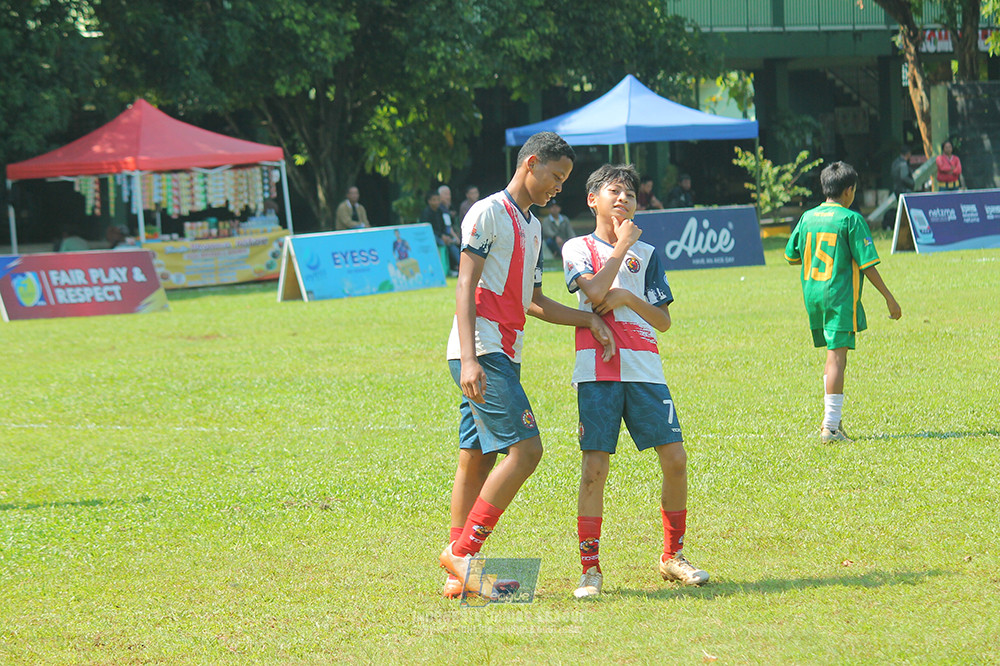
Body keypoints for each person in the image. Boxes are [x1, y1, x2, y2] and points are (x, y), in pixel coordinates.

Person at [439, 131, 616, 600]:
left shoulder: (534, 227)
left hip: (505, 353)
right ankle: (464, 555)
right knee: (527, 450)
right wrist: (472, 358)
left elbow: (533, 300)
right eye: (556, 177)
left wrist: (586, 319)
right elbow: (465, 285)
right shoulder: (487, 212)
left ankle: (459, 571)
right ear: (531, 163)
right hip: (482, 351)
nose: (559, 187)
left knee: (476, 457)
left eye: (564, 181)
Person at [560, 163, 709, 599]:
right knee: (595, 469)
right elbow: (594, 294)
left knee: (676, 459)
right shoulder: (576, 247)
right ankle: (591, 568)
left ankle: (672, 556)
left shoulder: (647, 256)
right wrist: (621, 246)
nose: (623, 198)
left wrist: (629, 296)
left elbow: (663, 320)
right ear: (593, 200)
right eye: (613, 191)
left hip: (646, 372)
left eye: (629, 193)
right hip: (597, 373)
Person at [784, 161, 902, 444]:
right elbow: (868, 264)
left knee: (831, 357)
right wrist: (890, 298)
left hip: (814, 295)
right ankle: (831, 428)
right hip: (838, 296)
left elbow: (792, 255)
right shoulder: (851, 219)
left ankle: (832, 421)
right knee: (838, 358)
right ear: (849, 190)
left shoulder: (808, 217)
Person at [420, 190, 459, 276]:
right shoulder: (426, 213)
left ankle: (459, 265)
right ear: (429, 201)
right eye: (434, 200)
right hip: (431, 237)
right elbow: (428, 229)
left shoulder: (440, 211)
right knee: (442, 243)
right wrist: (442, 236)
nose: (436, 202)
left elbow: (444, 226)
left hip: (442, 236)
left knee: (452, 244)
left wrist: (446, 236)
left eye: (438, 199)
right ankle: (442, 269)